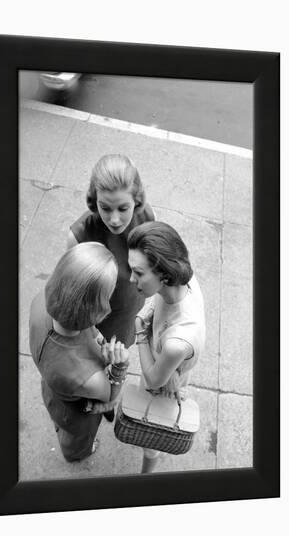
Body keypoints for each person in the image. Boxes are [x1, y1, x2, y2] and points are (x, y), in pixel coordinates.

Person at [29, 242, 129, 463]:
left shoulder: (40, 302)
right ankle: (78, 453)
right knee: (76, 439)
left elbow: (83, 325)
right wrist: (120, 367)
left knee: (59, 419)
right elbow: (109, 395)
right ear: (97, 308)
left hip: (52, 388)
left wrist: (95, 337)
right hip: (75, 413)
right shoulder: (87, 377)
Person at [127, 221, 205, 473]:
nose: (131, 278)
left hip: (164, 377)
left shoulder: (176, 342)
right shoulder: (185, 279)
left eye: (138, 273)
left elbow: (152, 379)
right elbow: (156, 301)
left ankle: (145, 480)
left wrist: (140, 332)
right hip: (170, 368)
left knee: (152, 435)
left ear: (164, 275)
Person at [67, 154, 156, 348]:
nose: (114, 219)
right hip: (95, 331)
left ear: (137, 200)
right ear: (94, 200)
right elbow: (74, 300)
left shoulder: (148, 217)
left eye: (123, 208)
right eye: (105, 208)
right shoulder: (79, 237)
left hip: (130, 316)